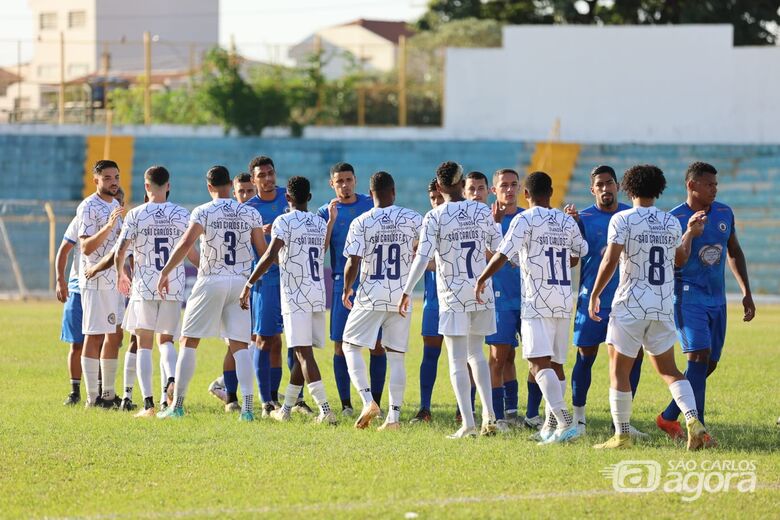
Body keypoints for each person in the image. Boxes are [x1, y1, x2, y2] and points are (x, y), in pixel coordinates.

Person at [588, 164, 707, 450]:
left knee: (619, 370)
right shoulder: (670, 222)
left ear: (627, 188)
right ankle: (693, 420)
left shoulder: (622, 219)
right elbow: (680, 259)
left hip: (630, 305)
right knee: (670, 370)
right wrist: (689, 234)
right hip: (662, 305)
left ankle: (622, 435)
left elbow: (610, 260)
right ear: (659, 189)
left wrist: (595, 294)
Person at [477, 171, 587, 445]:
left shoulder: (523, 219)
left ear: (526, 194)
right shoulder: (566, 220)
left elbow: (503, 254)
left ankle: (566, 420)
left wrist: (482, 278)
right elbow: (579, 253)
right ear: (552, 192)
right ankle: (552, 426)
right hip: (563, 299)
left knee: (538, 364)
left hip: (537, 301)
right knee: (556, 364)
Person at [156, 165, 266, 421]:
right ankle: (248, 410)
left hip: (211, 279)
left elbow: (186, 243)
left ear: (209, 187)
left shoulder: (203, 210)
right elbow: (262, 252)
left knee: (189, 341)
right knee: (240, 345)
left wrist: (165, 272)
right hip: (240, 282)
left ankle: (178, 406)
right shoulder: (250, 213)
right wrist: (252, 281)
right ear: (230, 184)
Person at [656, 161, 755, 446]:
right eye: (709, 184)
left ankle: (668, 417)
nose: (714, 189)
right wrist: (690, 234)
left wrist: (746, 291)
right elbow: (672, 261)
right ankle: (699, 429)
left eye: (715, 184)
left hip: (717, 299)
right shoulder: (673, 219)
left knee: (708, 363)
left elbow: (733, 251)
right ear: (692, 185)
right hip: (687, 297)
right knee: (697, 358)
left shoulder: (724, 212)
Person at [400, 161, 501, 439]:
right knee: (477, 355)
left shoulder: (435, 217)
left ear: (440, 186)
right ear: (461, 183)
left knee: (457, 360)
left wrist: (407, 290)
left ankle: (468, 424)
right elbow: (499, 248)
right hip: (482, 292)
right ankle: (489, 417)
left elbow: (422, 258)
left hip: (453, 296)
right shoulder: (482, 209)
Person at [240, 176, 337, 425]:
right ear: (310, 197)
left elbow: (270, 254)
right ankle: (285, 409)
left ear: (287, 198)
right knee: (301, 351)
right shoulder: (319, 221)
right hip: (317, 294)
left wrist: (249, 283)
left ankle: (326, 410)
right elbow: (320, 251)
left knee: (303, 354)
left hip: (296, 296)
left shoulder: (284, 221)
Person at [106, 166, 196, 417]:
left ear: (147, 186)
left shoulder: (136, 214)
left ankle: (147, 404)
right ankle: (169, 388)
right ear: (168, 185)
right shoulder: (181, 214)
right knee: (166, 340)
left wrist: (120, 273)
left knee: (144, 344)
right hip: (174, 283)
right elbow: (190, 250)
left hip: (145, 285)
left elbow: (121, 250)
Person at [564, 165, 646, 437]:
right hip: (592, 300)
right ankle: (579, 420)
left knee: (633, 359)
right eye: (599, 184)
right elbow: (573, 260)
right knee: (585, 357)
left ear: (617, 186)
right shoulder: (584, 218)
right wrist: (572, 227)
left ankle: (621, 423)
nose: (605, 188)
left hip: (626, 302)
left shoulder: (629, 216)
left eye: (609, 183)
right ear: (592, 189)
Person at [341, 171, 422, 430]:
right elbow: (424, 252)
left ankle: (368, 401)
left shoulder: (361, 222)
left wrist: (346, 289)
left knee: (350, 346)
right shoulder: (412, 218)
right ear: (394, 191)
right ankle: (394, 418)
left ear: (371, 193)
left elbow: (353, 261)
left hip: (371, 293)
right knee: (396, 356)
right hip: (402, 294)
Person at [318, 162, 386, 417]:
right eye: (339, 181)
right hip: (340, 284)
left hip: (371, 283)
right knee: (341, 345)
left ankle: (375, 402)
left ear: (355, 180)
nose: (344, 185)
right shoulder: (326, 212)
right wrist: (330, 223)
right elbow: (320, 251)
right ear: (332, 184)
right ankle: (347, 405)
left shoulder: (371, 205)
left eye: (348, 180)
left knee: (377, 345)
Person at [77, 160, 126, 408]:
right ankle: (91, 398)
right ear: (95, 180)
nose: (113, 181)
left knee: (114, 335)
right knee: (94, 336)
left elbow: (117, 245)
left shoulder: (116, 204)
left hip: (113, 281)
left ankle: (107, 395)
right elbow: (85, 247)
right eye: (107, 177)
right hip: (95, 280)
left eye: (115, 176)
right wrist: (108, 227)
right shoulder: (88, 207)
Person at [208, 172, 257, 411]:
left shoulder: (255, 213)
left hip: (261, 287)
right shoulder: (232, 216)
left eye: (250, 191)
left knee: (261, 342)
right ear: (233, 191)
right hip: (240, 287)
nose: (246, 196)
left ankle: (264, 393)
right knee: (237, 343)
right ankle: (231, 395)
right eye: (241, 192)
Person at [485, 168, 523, 431]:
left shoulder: (528, 219)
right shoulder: (487, 221)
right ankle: (497, 416)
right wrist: (496, 224)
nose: (509, 190)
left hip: (529, 299)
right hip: (499, 299)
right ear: (494, 190)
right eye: (504, 185)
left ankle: (514, 411)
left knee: (522, 359)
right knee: (498, 358)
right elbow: (487, 257)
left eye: (513, 185)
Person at [410, 179, 445, 423]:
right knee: (429, 353)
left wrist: (427, 262)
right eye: (433, 199)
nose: (436, 202)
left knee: (464, 356)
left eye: (440, 197)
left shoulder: (458, 221)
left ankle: (463, 411)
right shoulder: (425, 225)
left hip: (458, 301)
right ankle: (424, 408)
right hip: (433, 301)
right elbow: (418, 260)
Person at [55, 215, 84, 405]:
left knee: (102, 343)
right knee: (76, 343)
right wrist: (60, 280)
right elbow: (64, 250)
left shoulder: (121, 222)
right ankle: (74, 392)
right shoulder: (81, 219)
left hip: (106, 291)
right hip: (77, 287)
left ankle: (102, 391)